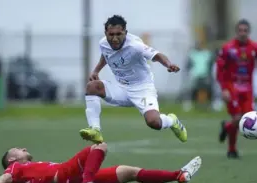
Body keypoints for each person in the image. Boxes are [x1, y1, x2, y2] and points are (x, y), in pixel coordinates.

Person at [79, 15, 187, 144]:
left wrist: (169, 64)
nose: (114, 38)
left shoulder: (135, 45)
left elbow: (157, 55)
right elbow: (106, 54)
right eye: (111, 34)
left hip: (142, 89)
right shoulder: (103, 43)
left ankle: (171, 120)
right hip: (121, 88)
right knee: (92, 87)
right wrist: (96, 71)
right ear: (105, 33)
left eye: (119, 34)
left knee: (154, 122)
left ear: (125, 32)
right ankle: (95, 130)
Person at [0, 143, 202, 183]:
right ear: (11, 159)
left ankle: (179, 175)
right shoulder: (16, 168)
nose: (23, 148)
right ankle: (87, 182)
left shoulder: (22, 173)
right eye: (18, 149)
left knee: (129, 172)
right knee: (99, 146)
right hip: (66, 177)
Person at [216, 19, 257, 158]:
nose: (243, 33)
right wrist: (224, 89)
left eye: (245, 31)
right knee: (238, 117)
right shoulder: (228, 48)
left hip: (248, 89)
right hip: (232, 87)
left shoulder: (254, 47)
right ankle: (232, 149)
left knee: (249, 118)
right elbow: (220, 70)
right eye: (240, 30)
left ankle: (226, 127)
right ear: (236, 32)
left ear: (249, 32)